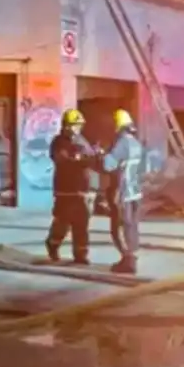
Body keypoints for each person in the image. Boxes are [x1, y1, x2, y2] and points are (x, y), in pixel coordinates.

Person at [45, 108, 99, 264]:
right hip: (65, 190)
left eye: (79, 125)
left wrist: (93, 155)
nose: (78, 128)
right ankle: (53, 244)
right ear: (67, 126)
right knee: (63, 222)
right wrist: (80, 159)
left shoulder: (82, 140)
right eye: (76, 125)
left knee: (81, 224)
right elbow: (63, 161)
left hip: (82, 189)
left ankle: (80, 255)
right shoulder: (59, 143)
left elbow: (88, 157)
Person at [102, 109, 144, 274]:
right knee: (132, 226)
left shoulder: (121, 143)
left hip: (123, 193)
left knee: (119, 227)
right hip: (135, 192)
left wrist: (102, 154)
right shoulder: (136, 143)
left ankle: (128, 261)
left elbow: (108, 165)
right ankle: (131, 256)